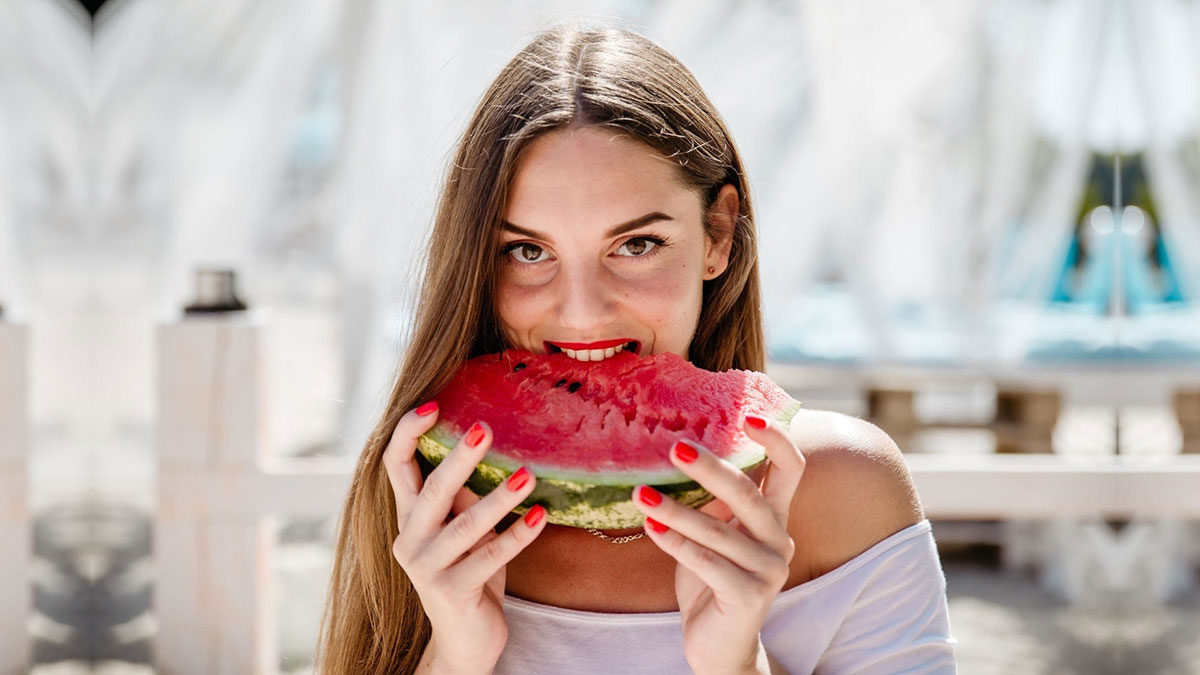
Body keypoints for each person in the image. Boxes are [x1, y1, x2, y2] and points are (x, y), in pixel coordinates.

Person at [316, 24, 956, 675]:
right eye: (528, 251)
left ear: (717, 234)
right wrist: (454, 654)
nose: (583, 310)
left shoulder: (848, 487)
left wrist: (737, 663)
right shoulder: (428, 506)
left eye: (636, 244)